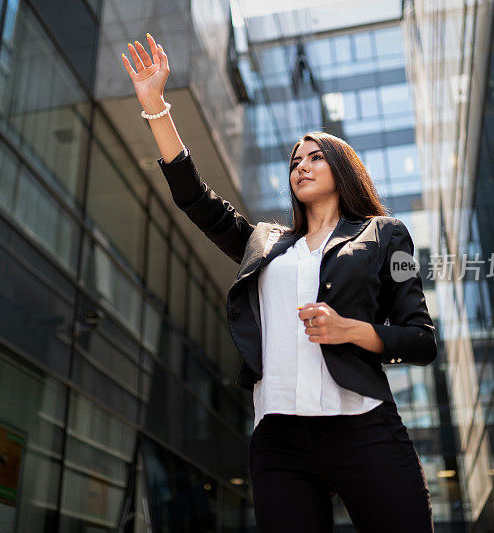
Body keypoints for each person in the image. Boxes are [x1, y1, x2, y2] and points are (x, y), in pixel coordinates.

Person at [122, 34, 437, 532]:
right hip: (280, 439)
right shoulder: (263, 243)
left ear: (343, 168)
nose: (301, 166)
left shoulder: (385, 235)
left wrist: (350, 330)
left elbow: (421, 339)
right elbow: (195, 200)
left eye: (314, 157)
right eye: (294, 161)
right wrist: (156, 106)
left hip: (363, 426)